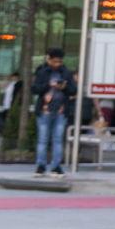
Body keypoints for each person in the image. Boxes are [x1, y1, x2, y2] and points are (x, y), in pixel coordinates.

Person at [29, 48, 76, 177]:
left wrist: (64, 87)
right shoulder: (42, 71)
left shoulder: (66, 72)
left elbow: (73, 89)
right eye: (55, 61)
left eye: (59, 62)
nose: (57, 64)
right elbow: (35, 89)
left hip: (61, 111)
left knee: (58, 139)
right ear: (48, 59)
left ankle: (56, 166)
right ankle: (41, 165)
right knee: (43, 139)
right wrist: (48, 85)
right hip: (45, 111)